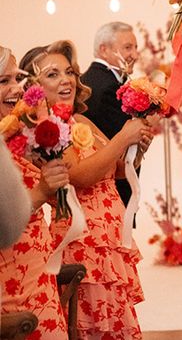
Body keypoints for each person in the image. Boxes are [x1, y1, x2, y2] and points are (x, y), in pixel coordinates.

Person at [20, 40, 152, 340]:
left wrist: (137, 149)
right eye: (52, 75)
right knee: (94, 327)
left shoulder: (79, 120)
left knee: (115, 324)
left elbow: (115, 168)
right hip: (82, 242)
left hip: (108, 240)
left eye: (68, 72)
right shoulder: (44, 129)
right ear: (34, 87)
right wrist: (122, 138)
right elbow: (79, 175)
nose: (66, 80)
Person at [0, 46, 70, 339]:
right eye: (4, 81)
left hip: (37, 281)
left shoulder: (14, 134)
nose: (16, 88)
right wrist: (41, 190)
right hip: (13, 291)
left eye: (17, 78)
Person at [81, 21, 140, 208]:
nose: (135, 55)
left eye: (136, 48)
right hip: (111, 190)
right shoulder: (109, 88)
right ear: (104, 50)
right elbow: (120, 145)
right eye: (127, 47)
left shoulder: (88, 79)